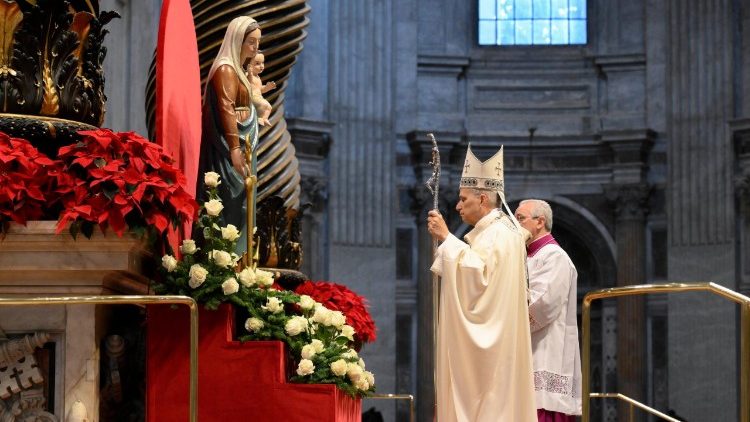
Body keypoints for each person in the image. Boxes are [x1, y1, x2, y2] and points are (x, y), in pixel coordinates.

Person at [427, 145, 537, 422]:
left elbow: (479, 281)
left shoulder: (498, 234)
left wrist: (446, 238)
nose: (458, 206)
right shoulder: (501, 232)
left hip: (492, 351)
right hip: (501, 346)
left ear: (484, 198)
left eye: (463, 199)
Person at [195, 16, 261, 255]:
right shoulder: (226, 69)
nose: (255, 47)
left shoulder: (239, 70)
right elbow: (225, 106)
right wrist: (234, 148)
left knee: (243, 202)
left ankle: (239, 262)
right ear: (237, 40)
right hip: (229, 150)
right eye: (251, 42)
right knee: (230, 203)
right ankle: (224, 260)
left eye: (258, 42)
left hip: (244, 146)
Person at [514, 199, 582, 421]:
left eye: (520, 218)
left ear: (540, 221)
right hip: (523, 355)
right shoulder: (524, 256)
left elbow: (542, 304)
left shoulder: (554, 256)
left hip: (544, 355)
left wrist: (504, 318)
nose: (515, 224)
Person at [245, 52, 276, 127]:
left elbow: (260, 89)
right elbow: (248, 82)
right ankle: (259, 117)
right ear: (249, 65)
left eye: (262, 63)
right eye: (257, 63)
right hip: (252, 97)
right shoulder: (248, 75)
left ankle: (264, 118)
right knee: (264, 105)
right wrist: (250, 73)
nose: (261, 66)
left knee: (269, 107)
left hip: (259, 97)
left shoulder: (258, 77)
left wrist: (267, 87)